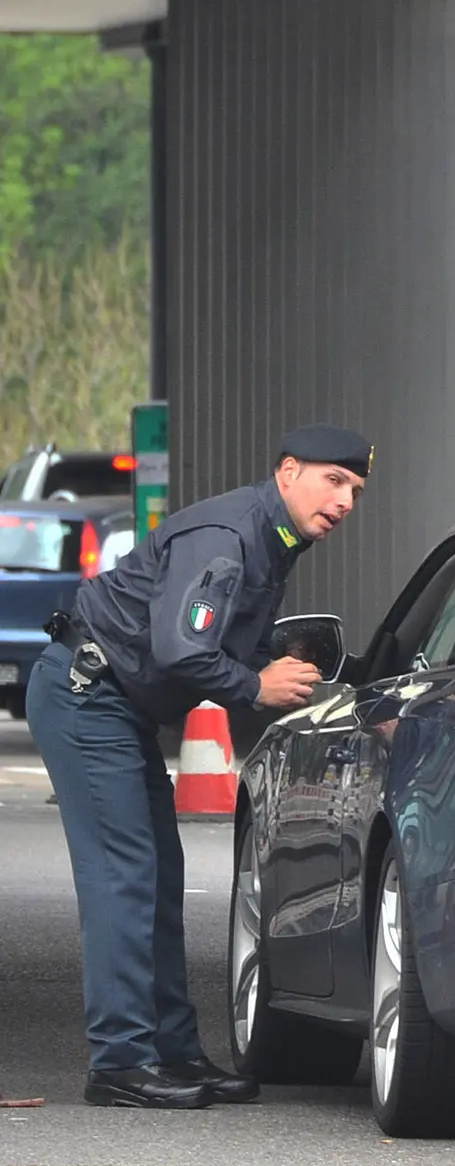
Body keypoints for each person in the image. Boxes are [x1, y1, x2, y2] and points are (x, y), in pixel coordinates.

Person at [26, 424, 372, 1110]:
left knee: (158, 875)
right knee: (125, 878)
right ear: (287, 471)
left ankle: (174, 1052)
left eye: (355, 490)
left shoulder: (272, 540)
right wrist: (255, 687)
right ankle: (121, 1062)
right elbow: (182, 646)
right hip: (87, 696)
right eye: (333, 481)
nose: (345, 502)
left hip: (117, 708)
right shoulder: (229, 536)